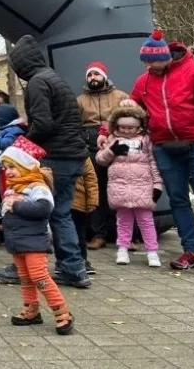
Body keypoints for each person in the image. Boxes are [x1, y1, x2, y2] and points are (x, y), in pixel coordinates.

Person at [100, 30, 194, 270]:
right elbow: (126, 110)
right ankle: (192, 250)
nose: (147, 65)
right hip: (164, 146)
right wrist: (105, 133)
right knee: (178, 198)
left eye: (150, 61)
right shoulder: (144, 81)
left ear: (165, 55)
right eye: (144, 61)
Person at [0, 35, 91, 289]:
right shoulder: (54, 78)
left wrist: (22, 145)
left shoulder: (38, 82)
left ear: (21, 64)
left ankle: (24, 266)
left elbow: (44, 124)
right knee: (61, 213)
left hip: (55, 157)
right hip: (73, 156)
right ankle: (73, 267)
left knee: (32, 210)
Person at [0, 137, 74, 335]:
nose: (8, 172)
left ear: (25, 166)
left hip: (34, 241)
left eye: (12, 167)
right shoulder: (12, 189)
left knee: (39, 276)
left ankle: (62, 311)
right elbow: (3, 210)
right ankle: (31, 310)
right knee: (25, 278)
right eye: (5, 168)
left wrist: (17, 205)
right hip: (16, 242)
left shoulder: (37, 187)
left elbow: (44, 208)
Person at [96, 106, 162, 267]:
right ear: (117, 126)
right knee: (123, 221)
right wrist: (112, 150)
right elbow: (100, 159)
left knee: (146, 221)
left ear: (139, 126)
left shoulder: (145, 140)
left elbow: (154, 162)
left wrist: (158, 185)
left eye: (131, 127)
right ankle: (122, 249)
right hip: (120, 188)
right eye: (123, 127)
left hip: (143, 186)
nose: (127, 130)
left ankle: (152, 251)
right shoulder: (113, 139)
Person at [77, 62, 128, 250]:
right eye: (89, 75)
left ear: (104, 76)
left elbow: (131, 116)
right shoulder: (80, 100)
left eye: (96, 75)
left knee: (119, 189)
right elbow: (74, 124)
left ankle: (126, 234)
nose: (93, 78)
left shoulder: (120, 96)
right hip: (89, 145)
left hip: (115, 143)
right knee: (96, 190)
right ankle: (99, 234)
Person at [71, 158, 98, 274]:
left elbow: (91, 178)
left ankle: (82, 260)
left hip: (78, 204)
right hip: (62, 202)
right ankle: (64, 261)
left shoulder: (82, 154)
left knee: (80, 236)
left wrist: (92, 201)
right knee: (63, 236)